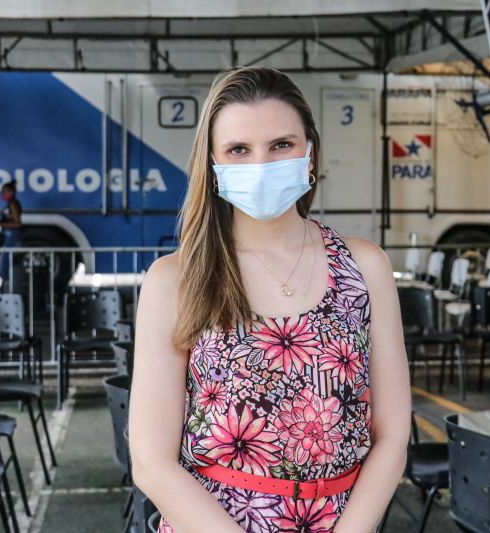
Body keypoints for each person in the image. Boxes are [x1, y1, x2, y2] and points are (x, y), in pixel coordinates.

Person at [129, 66, 410, 533]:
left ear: (310, 152)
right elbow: (153, 463)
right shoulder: (175, 280)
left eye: (281, 145)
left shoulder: (366, 267)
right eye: (239, 150)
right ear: (214, 165)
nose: (261, 164)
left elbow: (393, 433)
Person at [0, 181, 22, 286]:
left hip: (12, 236)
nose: (2, 194)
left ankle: (9, 286)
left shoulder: (13, 204)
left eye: (4, 192)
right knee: (4, 265)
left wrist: (1, 224)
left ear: (11, 192)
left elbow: (17, 224)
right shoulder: (10, 204)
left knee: (3, 268)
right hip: (9, 236)